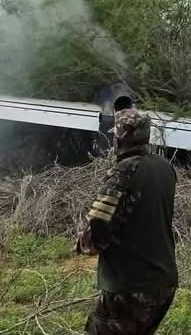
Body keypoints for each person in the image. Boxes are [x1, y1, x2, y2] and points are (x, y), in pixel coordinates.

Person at [76, 108, 178, 334]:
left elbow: (98, 227)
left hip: (131, 287)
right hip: (164, 283)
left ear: (120, 137)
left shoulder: (124, 171)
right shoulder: (165, 167)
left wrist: (84, 243)